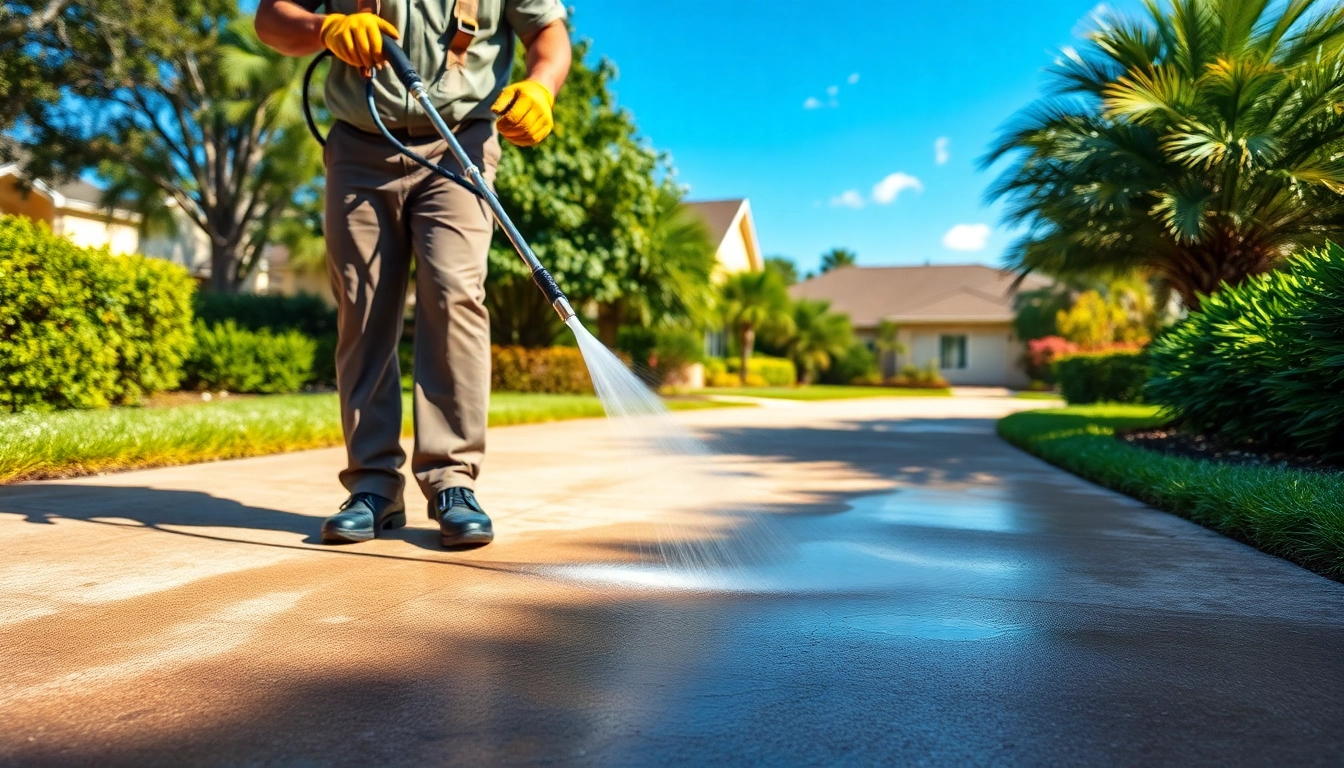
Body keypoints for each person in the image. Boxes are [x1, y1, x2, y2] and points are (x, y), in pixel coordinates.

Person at [255, 0, 571, 548]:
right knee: (364, 305)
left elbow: (548, 34)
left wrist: (542, 85)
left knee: (454, 294)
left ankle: (452, 480)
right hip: (358, 145)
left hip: (459, 144)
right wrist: (325, 27)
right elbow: (270, 20)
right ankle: (373, 487)